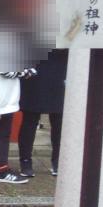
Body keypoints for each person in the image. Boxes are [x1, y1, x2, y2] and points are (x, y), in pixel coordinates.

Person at [18, 48, 67, 177]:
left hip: (61, 66)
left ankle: (58, 161)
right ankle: (25, 162)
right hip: (35, 65)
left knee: (59, 120)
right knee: (30, 118)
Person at [0, 63, 36, 184]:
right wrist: (26, 71)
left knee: (3, 135)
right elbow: (6, 71)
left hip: (6, 99)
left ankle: (1, 169)